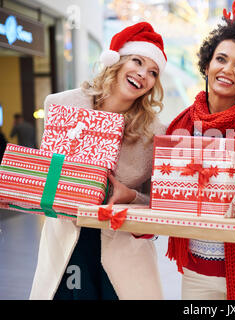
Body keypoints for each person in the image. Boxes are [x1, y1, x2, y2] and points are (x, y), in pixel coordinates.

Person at [29, 22, 167, 300]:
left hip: (123, 248)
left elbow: (158, 201)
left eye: (153, 72)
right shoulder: (61, 104)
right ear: (116, 62)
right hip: (68, 241)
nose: (143, 74)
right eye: (137, 61)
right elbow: (48, 174)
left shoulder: (155, 132)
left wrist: (130, 197)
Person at [165, 1, 235, 300]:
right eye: (221, 59)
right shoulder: (180, 129)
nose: (227, 70)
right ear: (207, 64)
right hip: (197, 269)